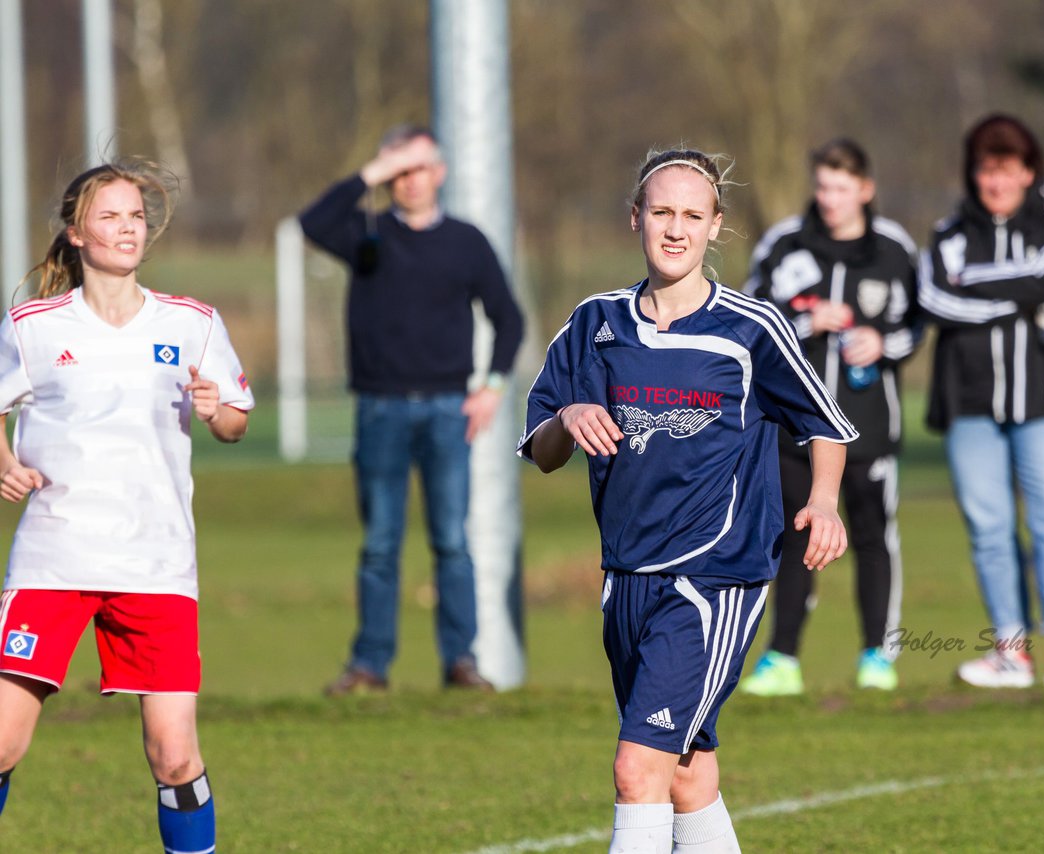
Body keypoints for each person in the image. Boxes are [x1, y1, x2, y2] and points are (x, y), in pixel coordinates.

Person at [519, 147, 856, 853]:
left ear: (715, 227)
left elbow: (825, 423)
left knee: (636, 768)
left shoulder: (750, 330)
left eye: (692, 215)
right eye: (662, 212)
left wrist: (824, 501)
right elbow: (542, 450)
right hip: (627, 579)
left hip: (715, 578)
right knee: (687, 776)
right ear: (635, 218)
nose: (676, 229)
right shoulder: (593, 324)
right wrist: (567, 419)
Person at [0, 161, 253, 852]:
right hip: (54, 560)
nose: (126, 228)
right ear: (77, 233)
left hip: (155, 562)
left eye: (136, 216)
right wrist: (7, 464)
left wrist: (215, 412)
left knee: (173, 756)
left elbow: (235, 419)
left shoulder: (193, 323)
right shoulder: (33, 327)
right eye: (109, 216)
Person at [299, 124, 525, 694]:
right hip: (380, 408)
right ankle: (370, 665)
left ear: (440, 172)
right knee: (380, 543)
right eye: (398, 170)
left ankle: (461, 662)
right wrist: (372, 173)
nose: (409, 180)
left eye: (419, 166)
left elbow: (509, 317)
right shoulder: (366, 235)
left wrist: (492, 385)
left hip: (449, 409)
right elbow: (312, 221)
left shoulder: (466, 242)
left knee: (451, 539)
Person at [917, 113, 1044, 688]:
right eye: (986, 171)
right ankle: (1009, 650)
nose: (996, 183)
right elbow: (934, 298)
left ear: (1030, 172)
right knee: (988, 524)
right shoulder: (949, 233)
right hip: (970, 400)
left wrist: (976, 284)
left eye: (1007, 171)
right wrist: (1015, 298)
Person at [740, 138, 919, 694]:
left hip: (869, 424)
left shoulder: (893, 249)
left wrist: (882, 342)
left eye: (841, 188)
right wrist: (806, 322)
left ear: (865, 190)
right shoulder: (784, 244)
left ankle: (877, 656)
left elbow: (916, 324)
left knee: (873, 537)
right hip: (795, 429)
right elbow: (747, 321)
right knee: (795, 536)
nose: (830, 198)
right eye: (822, 186)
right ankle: (782, 659)